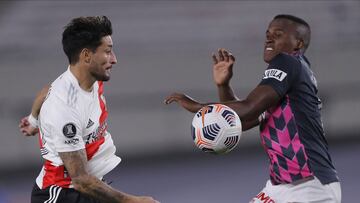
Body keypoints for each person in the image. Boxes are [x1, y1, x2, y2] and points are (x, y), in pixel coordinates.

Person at [164, 14, 341, 203]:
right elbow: (243, 119)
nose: (269, 38)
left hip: (309, 187)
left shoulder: (288, 62)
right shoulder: (293, 74)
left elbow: (249, 107)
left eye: (278, 34)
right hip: (281, 188)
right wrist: (224, 86)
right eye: (268, 33)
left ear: (297, 44)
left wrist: (197, 107)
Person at [19, 16, 159, 203]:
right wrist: (132, 201)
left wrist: (32, 121)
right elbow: (81, 181)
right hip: (62, 194)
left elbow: (47, 91)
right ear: (86, 55)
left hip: (85, 187)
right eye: (108, 51)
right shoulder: (64, 109)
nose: (114, 59)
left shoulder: (88, 80)